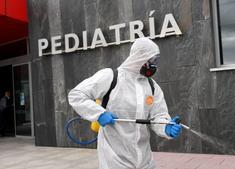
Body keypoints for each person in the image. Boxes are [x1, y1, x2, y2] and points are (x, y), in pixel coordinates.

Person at [68, 38, 182, 169]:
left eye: (157, 61)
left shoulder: (152, 86)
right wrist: (99, 114)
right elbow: (76, 95)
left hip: (144, 160)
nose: (155, 65)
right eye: (153, 60)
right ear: (140, 57)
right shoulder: (111, 77)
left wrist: (166, 127)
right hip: (114, 159)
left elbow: (159, 115)